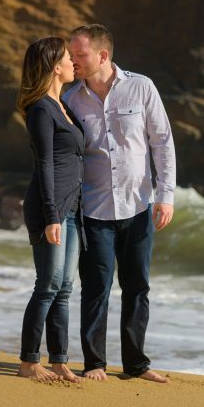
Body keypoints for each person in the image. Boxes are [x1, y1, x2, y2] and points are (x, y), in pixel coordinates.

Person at [64, 24, 176, 383]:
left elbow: (162, 142)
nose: (73, 61)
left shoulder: (141, 87)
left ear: (102, 55)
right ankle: (94, 363)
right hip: (93, 209)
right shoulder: (70, 99)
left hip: (139, 205)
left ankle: (136, 365)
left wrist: (166, 195)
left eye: (79, 54)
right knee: (95, 288)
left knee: (137, 286)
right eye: (71, 55)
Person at [16, 37, 85, 383]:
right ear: (55, 66)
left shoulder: (63, 106)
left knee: (65, 287)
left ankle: (59, 360)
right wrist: (51, 215)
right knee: (47, 285)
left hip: (71, 207)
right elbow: (43, 164)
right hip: (51, 208)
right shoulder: (42, 108)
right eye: (69, 58)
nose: (74, 62)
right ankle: (29, 362)